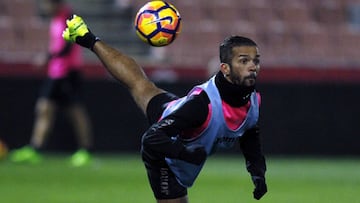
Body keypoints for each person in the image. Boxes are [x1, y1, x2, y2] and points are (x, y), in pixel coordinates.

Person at [62, 15, 267, 202]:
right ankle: (88, 38)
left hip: (172, 108)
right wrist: (185, 153)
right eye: (244, 61)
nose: (253, 67)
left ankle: (86, 37)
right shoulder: (201, 106)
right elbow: (151, 139)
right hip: (164, 153)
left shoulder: (253, 100)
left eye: (255, 61)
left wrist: (257, 171)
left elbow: (249, 132)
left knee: (139, 84)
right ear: (225, 68)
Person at [10, 0, 93, 167]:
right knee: (44, 108)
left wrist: (47, 58)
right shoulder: (56, 19)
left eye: (46, 4)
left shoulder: (69, 18)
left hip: (68, 72)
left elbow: (70, 45)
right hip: (56, 73)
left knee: (75, 112)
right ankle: (35, 148)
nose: (44, 7)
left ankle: (85, 151)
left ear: (56, 4)